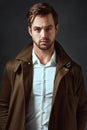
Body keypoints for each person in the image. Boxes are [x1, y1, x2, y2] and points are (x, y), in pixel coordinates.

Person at [0, 2, 87, 130]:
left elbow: (82, 110)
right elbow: (3, 106)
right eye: (37, 29)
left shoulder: (73, 71)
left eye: (48, 28)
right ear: (30, 30)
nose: (43, 35)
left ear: (56, 29)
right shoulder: (12, 68)